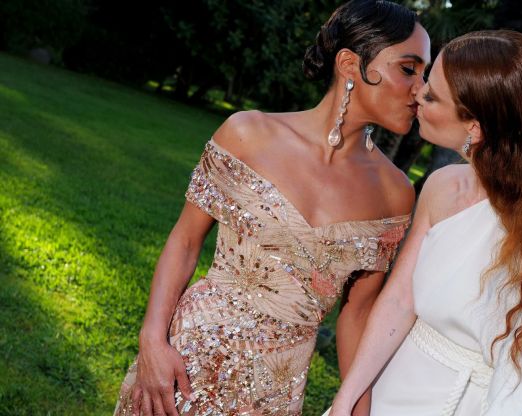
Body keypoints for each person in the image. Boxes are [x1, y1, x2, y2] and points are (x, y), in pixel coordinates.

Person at [113, 1, 431, 415]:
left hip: (274, 390)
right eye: (409, 69)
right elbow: (186, 241)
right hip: (184, 366)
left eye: (424, 74)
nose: (421, 89)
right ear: (350, 64)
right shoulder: (249, 133)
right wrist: (152, 340)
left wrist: (357, 404)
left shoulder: (395, 192)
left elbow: (358, 311)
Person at [328, 30, 522, 416]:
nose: (418, 94)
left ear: (475, 126)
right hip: (395, 381)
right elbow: (399, 300)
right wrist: (349, 396)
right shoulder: (441, 186)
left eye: (433, 95)